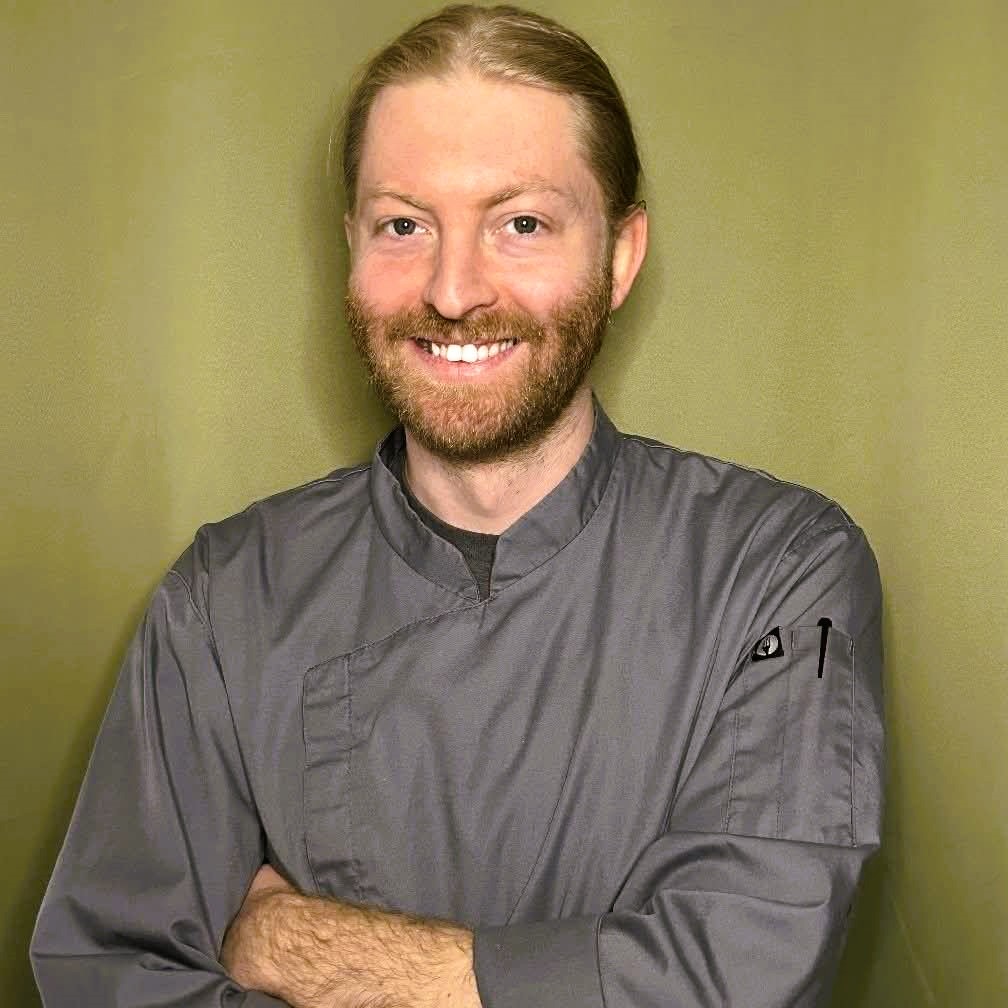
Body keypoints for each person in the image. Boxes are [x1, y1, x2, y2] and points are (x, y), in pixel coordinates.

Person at [31, 5, 884, 1007]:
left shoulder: (777, 570)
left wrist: (304, 945)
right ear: (350, 244)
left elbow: (737, 975)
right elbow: (111, 977)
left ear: (618, 256)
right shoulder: (223, 600)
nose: (451, 289)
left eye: (520, 222)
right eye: (403, 224)